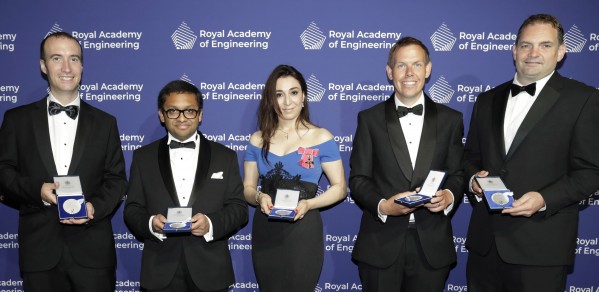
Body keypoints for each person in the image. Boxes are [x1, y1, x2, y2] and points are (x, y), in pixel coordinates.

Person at [463, 14, 599, 291]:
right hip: (485, 246)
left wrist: (544, 198)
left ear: (561, 52)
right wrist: (472, 180)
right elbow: (470, 157)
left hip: (541, 247)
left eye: (545, 45)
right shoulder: (486, 100)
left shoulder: (584, 99)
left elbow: (591, 171)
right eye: (526, 45)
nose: (533, 53)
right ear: (514, 51)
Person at [0, 32, 127, 292]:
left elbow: (116, 180)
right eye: (57, 58)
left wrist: (94, 207)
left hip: (93, 254)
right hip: (40, 253)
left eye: (74, 59)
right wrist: (38, 191)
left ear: (82, 65)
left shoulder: (106, 123)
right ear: (43, 66)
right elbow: (3, 172)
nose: (67, 68)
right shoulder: (17, 120)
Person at [349, 36, 464, 291]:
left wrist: (449, 196)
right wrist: (383, 206)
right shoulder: (369, 119)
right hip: (380, 245)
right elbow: (358, 179)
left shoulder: (451, 120)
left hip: (431, 248)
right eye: (401, 65)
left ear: (428, 69)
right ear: (390, 72)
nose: (409, 73)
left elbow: (458, 174)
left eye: (417, 64)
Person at [124, 80, 248, 292]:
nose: (182, 118)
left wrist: (210, 224)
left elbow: (239, 209)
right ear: (161, 115)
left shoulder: (225, 156)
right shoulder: (143, 157)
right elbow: (132, 210)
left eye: (189, 111)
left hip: (211, 271)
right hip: (159, 271)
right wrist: (151, 223)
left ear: (200, 115)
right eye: (173, 111)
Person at [243, 64, 346, 292]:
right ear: (271, 99)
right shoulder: (257, 140)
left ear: (304, 97)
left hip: (303, 229)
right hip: (266, 229)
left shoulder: (321, 137)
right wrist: (259, 197)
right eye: (279, 94)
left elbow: (340, 188)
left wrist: (310, 203)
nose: (287, 101)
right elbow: (248, 187)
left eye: (293, 92)